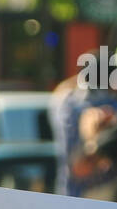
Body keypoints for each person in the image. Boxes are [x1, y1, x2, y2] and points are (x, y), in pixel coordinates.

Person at [49, 49, 117, 199]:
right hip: (102, 198)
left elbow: (63, 87)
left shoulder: (65, 103)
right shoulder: (109, 106)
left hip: (68, 194)